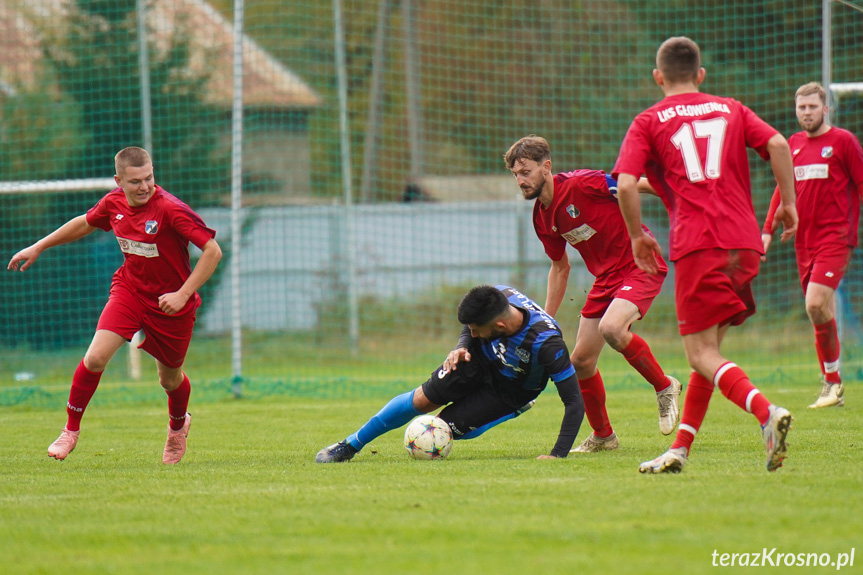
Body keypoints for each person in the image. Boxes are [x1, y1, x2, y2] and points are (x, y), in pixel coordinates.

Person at [613, 36, 799, 473]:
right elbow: (778, 145)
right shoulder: (731, 108)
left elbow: (624, 184)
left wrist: (638, 236)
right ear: (700, 76)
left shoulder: (648, 120)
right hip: (746, 242)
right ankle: (679, 449)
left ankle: (767, 415)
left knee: (699, 354)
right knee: (710, 353)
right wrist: (788, 203)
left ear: (658, 77)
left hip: (700, 244)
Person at [7, 147, 222, 465]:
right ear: (118, 180)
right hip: (130, 292)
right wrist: (39, 246)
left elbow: (212, 252)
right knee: (95, 357)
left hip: (170, 305)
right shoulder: (113, 203)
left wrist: (183, 294)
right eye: (135, 181)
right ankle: (70, 431)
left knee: (169, 379)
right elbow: (84, 223)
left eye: (149, 177)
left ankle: (178, 427)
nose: (145, 186)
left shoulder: (171, 209)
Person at [503, 136, 681, 454]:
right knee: (581, 361)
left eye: (526, 172)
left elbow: (632, 184)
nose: (520, 180)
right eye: (516, 174)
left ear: (546, 167)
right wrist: (545, 318)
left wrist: (679, 199)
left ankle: (664, 386)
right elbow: (559, 268)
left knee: (611, 328)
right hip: (606, 278)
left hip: (639, 263)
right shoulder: (541, 218)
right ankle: (604, 437)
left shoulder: (583, 183)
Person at [315, 284, 585, 462]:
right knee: (422, 400)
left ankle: (516, 409)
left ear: (501, 325)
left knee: (446, 428)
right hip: (476, 358)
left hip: (512, 389)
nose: (472, 332)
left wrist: (557, 455)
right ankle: (350, 446)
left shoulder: (547, 344)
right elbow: (471, 328)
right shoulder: (499, 296)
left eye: (477, 330)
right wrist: (462, 347)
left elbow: (574, 402)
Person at [762, 82, 863, 409]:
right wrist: (767, 230)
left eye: (812, 107)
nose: (807, 112)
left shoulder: (843, 142)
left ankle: (832, 381)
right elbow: (782, 188)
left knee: (815, 304)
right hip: (803, 241)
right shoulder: (792, 144)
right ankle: (832, 389)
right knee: (822, 310)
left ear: (826, 109)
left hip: (836, 238)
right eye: (802, 107)